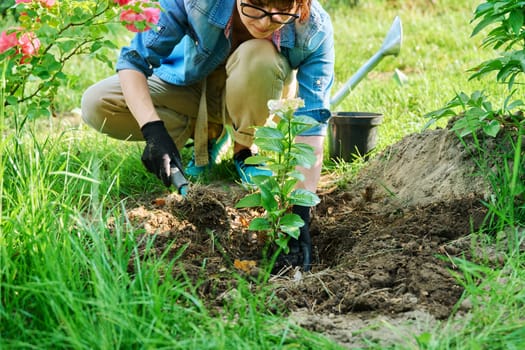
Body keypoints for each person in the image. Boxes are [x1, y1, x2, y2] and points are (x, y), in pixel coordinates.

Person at [81, 0, 335, 271]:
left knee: (258, 54)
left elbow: (312, 121)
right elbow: (133, 60)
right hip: (195, 86)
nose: (264, 22)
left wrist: (299, 215)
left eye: (280, 13)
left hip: (261, 91)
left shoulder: (313, 29)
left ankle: (245, 148)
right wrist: (153, 131)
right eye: (255, 6)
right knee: (97, 103)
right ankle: (204, 132)